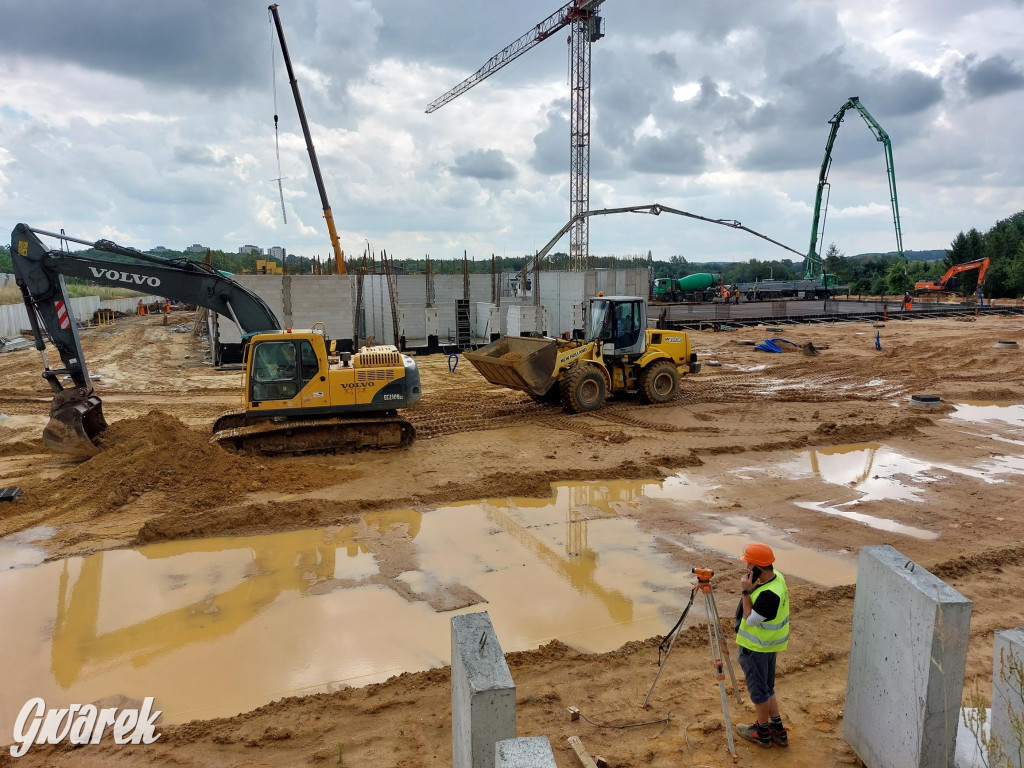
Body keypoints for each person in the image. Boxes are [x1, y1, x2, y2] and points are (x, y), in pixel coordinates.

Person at [734, 542, 790, 749]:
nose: (747, 568)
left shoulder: (768, 595)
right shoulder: (778, 578)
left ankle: (762, 732)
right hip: (768, 645)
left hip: (755, 649)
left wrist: (746, 592)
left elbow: (750, 619)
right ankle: (778, 729)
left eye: (749, 565)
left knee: (759, 694)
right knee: (767, 689)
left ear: (758, 567)